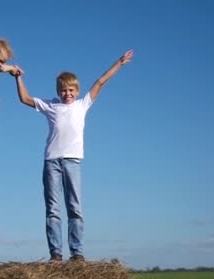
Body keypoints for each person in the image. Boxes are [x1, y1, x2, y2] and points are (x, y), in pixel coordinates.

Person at [11, 50, 134, 262]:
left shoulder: (82, 105)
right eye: (63, 90)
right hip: (52, 161)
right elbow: (25, 99)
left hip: (73, 161)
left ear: (76, 91)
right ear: (58, 91)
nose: (67, 93)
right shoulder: (51, 105)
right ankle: (56, 254)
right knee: (53, 208)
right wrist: (18, 77)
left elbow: (100, 82)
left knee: (74, 207)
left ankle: (77, 252)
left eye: (70, 90)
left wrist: (119, 63)